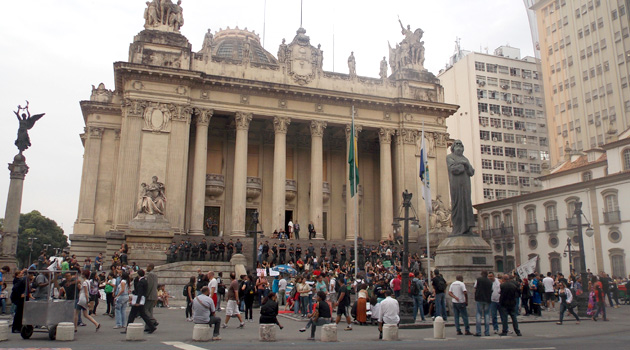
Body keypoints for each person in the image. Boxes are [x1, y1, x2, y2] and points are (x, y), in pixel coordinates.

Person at [123, 269, 156, 334]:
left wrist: (137, 302)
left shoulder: (141, 282)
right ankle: (152, 326)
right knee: (143, 315)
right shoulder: (144, 281)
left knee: (132, 315)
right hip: (141, 299)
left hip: (138, 300)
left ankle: (127, 329)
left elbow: (140, 292)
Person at [474, 270, 492, 336]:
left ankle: (478, 332)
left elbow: (475, 287)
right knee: (487, 315)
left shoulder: (478, 280)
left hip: (479, 298)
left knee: (479, 314)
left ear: (481, 274)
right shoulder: (490, 281)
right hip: (487, 299)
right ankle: (487, 332)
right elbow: (491, 290)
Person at [144, 263, 159, 331]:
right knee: (150, 310)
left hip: (150, 295)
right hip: (154, 294)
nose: (146, 268)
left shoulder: (150, 274)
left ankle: (153, 321)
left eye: (147, 266)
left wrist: (146, 294)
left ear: (150, 267)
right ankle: (148, 326)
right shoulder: (155, 274)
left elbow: (149, 285)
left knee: (145, 310)